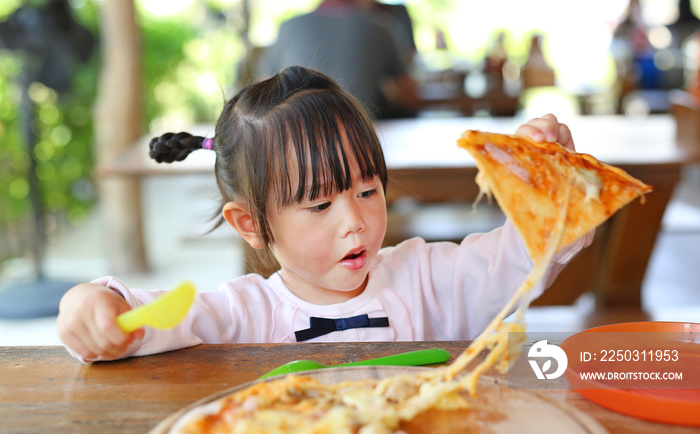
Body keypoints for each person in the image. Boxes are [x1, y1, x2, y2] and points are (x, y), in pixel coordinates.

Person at [57, 66, 590, 363]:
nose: (353, 222)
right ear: (251, 224)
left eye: (367, 190)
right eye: (318, 204)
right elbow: (152, 319)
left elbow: (530, 249)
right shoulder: (245, 313)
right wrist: (92, 306)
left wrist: (545, 177)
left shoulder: (431, 280)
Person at [255, 0, 419, 119]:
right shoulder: (382, 26)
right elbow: (409, 97)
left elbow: (262, 90)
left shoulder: (288, 26)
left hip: (296, 137)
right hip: (361, 136)